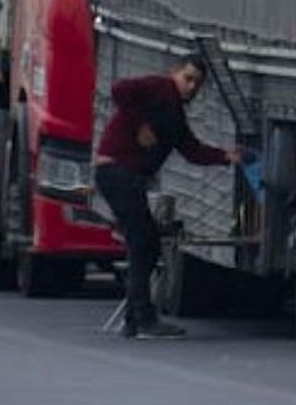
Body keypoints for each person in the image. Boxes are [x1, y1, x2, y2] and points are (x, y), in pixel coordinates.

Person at [94, 54, 241, 339]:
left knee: (146, 243)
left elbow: (191, 150)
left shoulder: (174, 115)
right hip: (117, 170)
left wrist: (225, 157)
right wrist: (140, 125)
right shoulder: (160, 88)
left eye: (196, 84)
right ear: (174, 73)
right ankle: (144, 319)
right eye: (187, 79)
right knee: (142, 241)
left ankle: (135, 318)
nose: (190, 88)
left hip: (125, 176)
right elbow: (119, 90)